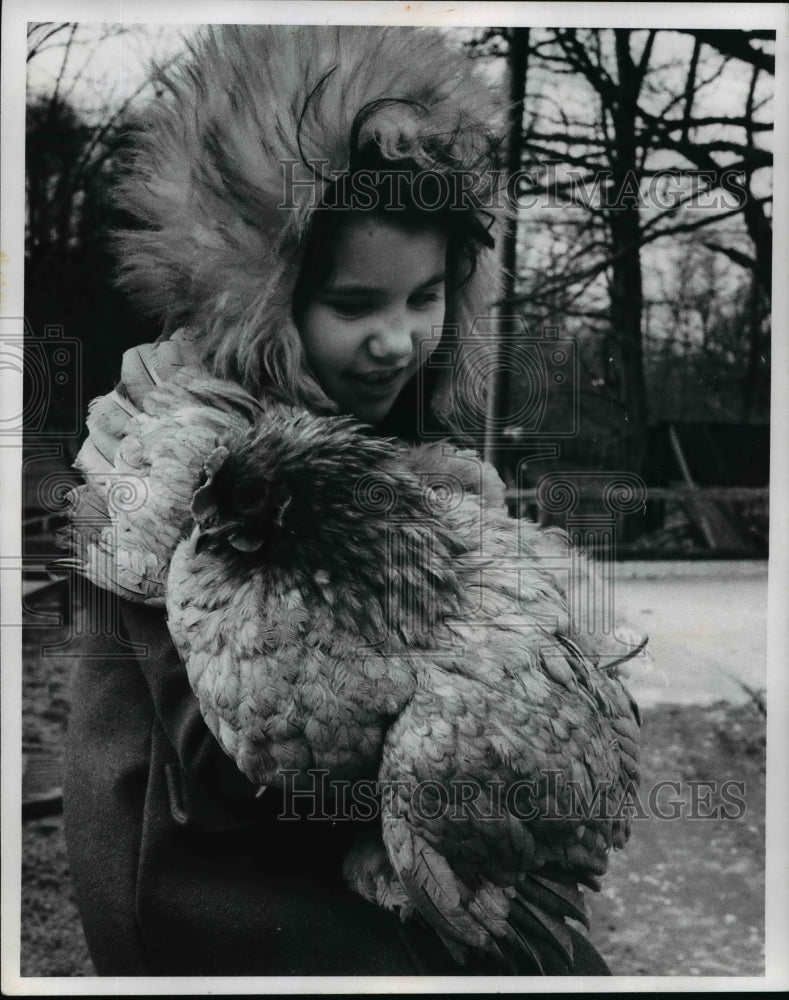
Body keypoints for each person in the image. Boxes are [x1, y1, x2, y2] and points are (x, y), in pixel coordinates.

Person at [63, 24, 612, 976]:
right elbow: (233, 765)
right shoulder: (186, 459)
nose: (399, 341)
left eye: (426, 295)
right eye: (354, 305)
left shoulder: (383, 441)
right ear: (261, 300)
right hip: (223, 914)